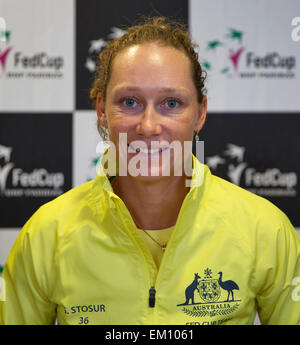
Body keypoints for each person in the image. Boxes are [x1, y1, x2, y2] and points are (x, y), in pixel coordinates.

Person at [0, 17, 299, 325]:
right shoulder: (47, 234)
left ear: (200, 113)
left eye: (171, 102)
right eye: (129, 101)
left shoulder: (265, 230)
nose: (148, 126)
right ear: (102, 110)